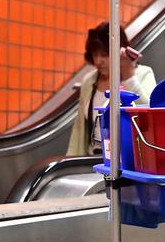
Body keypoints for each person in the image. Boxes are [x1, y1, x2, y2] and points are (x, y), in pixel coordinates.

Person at [66, 23, 156, 157]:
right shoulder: (90, 81)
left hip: (131, 159)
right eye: (95, 55)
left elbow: (150, 115)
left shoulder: (143, 74)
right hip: (94, 159)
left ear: (120, 51)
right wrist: (70, 160)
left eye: (104, 54)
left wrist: (129, 77)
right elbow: (80, 128)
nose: (98, 61)